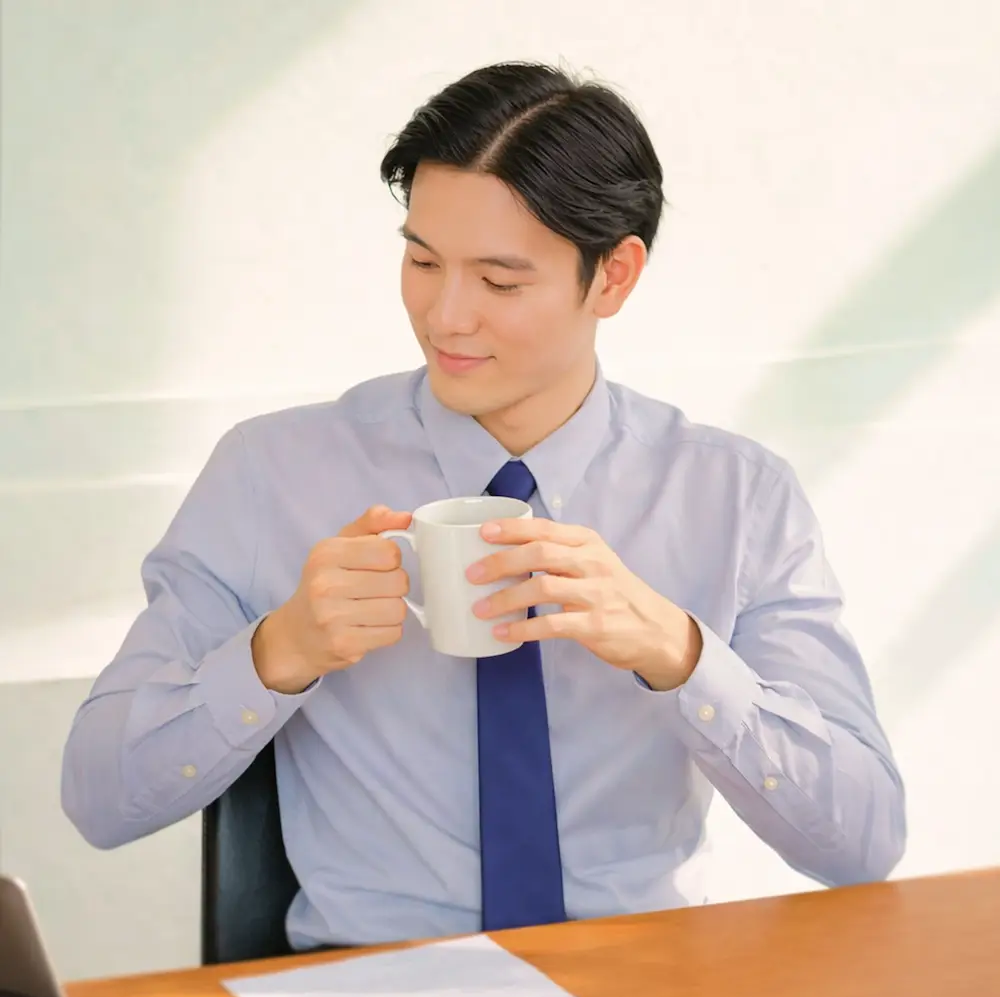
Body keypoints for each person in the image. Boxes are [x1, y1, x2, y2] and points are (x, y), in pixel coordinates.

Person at [61, 62, 906, 950]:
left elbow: (861, 842)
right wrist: (279, 652)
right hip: (372, 996)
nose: (445, 317)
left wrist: (680, 653)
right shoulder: (272, 472)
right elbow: (99, 801)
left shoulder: (737, 496)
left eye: (499, 282)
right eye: (422, 260)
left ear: (613, 277)